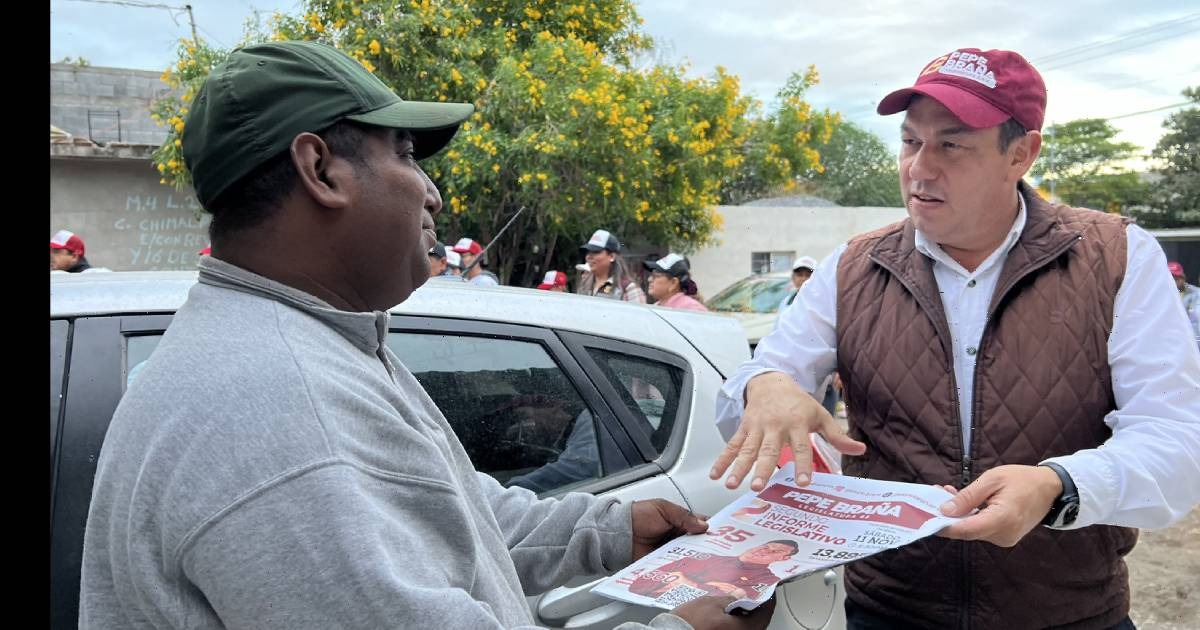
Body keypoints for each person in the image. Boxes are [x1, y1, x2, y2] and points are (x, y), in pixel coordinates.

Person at [79, 40, 769, 630]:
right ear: (320, 170)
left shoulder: (314, 344)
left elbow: (451, 516)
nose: (431, 192)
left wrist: (608, 532)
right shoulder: (278, 409)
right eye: (406, 153)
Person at [710, 47, 1200, 629]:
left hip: (1069, 613)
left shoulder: (1115, 257)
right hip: (889, 611)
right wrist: (762, 385)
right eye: (910, 141)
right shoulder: (852, 268)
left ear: (1021, 154)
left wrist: (1057, 485)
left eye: (951, 144)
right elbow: (754, 385)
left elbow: (1177, 437)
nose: (920, 167)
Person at [628, 541, 798, 601]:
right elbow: (636, 586)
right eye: (766, 546)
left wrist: (691, 584)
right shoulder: (698, 557)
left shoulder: (768, 581)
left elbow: (730, 604)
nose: (764, 551)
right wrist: (709, 588)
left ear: (784, 559)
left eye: (775, 551)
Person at [576, 229, 646, 303]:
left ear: (612, 256)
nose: (589, 256)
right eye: (588, 252)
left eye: (596, 251)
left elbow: (638, 314)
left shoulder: (629, 288)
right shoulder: (584, 284)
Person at [1170, 261, 1200, 347]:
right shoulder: (1160, 294)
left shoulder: (1195, 293)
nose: (1174, 282)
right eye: (1171, 278)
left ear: (1183, 277)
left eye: (1177, 278)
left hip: (1191, 341)